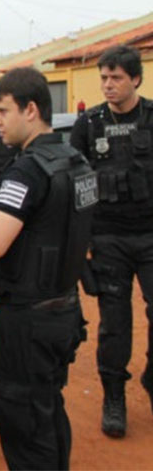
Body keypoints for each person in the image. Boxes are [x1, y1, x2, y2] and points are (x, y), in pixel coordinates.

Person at [0, 67, 95, 470]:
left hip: (28, 321)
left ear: (30, 110)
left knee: (21, 421)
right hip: (64, 309)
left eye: (1, 111)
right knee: (47, 409)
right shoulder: (75, 159)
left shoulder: (28, 169)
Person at [69, 45, 153, 438]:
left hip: (151, 235)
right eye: (104, 77)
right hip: (108, 239)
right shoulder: (89, 124)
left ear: (135, 79)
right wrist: (81, 240)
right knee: (115, 324)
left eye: (116, 77)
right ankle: (114, 397)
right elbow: (77, 182)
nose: (108, 85)